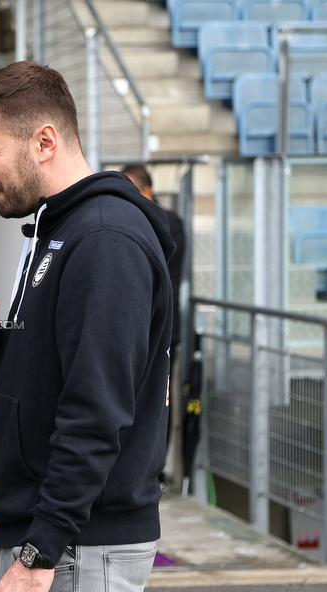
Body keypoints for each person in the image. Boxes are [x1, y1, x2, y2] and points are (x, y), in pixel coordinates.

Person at [0, 61, 174, 592]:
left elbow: (96, 411)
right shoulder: (61, 230)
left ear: (44, 140)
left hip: (75, 550)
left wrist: (40, 551)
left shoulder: (102, 239)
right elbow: (54, 384)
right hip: (62, 541)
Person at [122, 165, 187, 488]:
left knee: (159, 401)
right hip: (133, 327)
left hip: (162, 329)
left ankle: (154, 470)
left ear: (146, 190)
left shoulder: (167, 222)